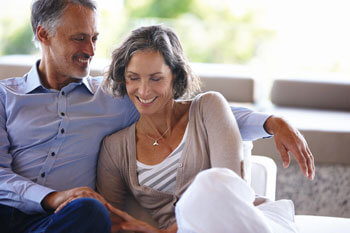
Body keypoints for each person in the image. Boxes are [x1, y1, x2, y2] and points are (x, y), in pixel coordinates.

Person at [0, 0, 313, 232]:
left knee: (91, 211)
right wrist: (52, 197)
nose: (92, 50)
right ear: (43, 34)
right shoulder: (4, 96)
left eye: (95, 38)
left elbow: (191, 110)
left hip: (68, 220)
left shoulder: (113, 97)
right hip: (10, 210)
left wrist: (270, 123)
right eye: (79, 38)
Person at [97, 25, 299, 233]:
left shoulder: (208, 107)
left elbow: (229, 191)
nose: (144, 90)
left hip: (241, 222)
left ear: (175, 75)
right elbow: (111, 220)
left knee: (211, 183)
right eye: (133, 78)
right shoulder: (114, 149)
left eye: (156, 78)